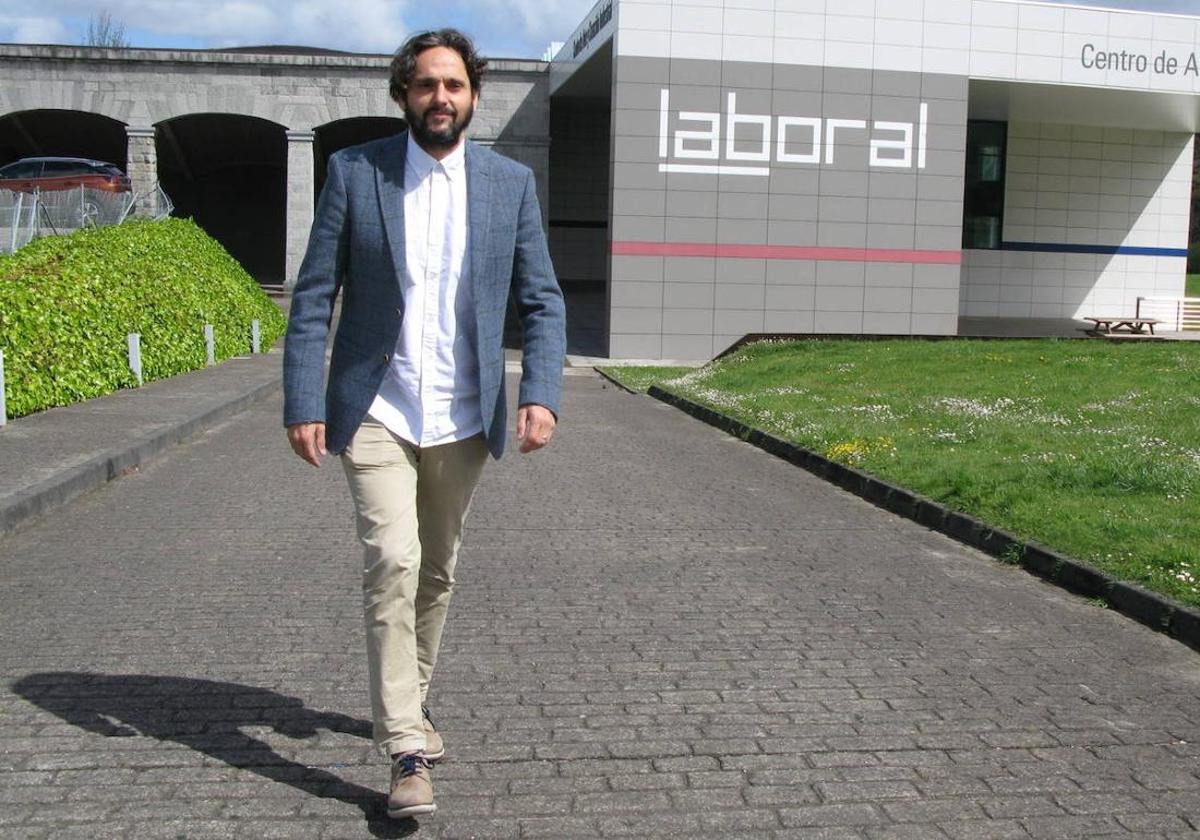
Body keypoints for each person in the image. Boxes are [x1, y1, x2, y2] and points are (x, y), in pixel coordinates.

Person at [281, 28, 565, 820]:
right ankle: (407, 747)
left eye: (454, 85)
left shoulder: (510, 185)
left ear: (473, 96)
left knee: (437, 570)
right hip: (377, 406)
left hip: (464, 415)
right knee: (394, 563)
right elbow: (312, 297)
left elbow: (541, 299)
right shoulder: (354, 172)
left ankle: (409, 698)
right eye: (426, 85)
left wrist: (541, 390)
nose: (440, 98)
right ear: (403, 95)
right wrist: (304, 397)